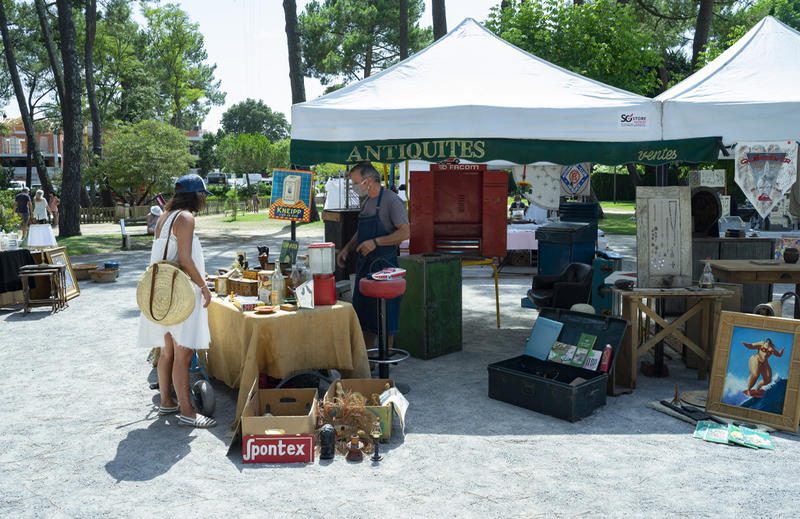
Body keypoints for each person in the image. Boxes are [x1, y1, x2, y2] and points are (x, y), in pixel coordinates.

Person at [137, 174, 215, 428]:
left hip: (163, 293)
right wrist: (204, 287)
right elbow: (184, 258)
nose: (204, 200)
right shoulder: (185, 218)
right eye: (203, 195)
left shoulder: (165, 216)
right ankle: (188, 412)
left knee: (168, 350)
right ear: (196, 195)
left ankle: (167, 402)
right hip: (180, 293)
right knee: (184, 352)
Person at [336, 162, 410, 358]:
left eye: (355, 182)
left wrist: (376, 242)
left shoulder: (392, 201)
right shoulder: (367, 200)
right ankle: (367, 362)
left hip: (385, 267)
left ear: (368, 181)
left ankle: (385, 361)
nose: (353, 186)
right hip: (365, 268)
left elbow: (405, 232)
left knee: (386, 318)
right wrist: (346, 249)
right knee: (365, 316)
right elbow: (361, 231)